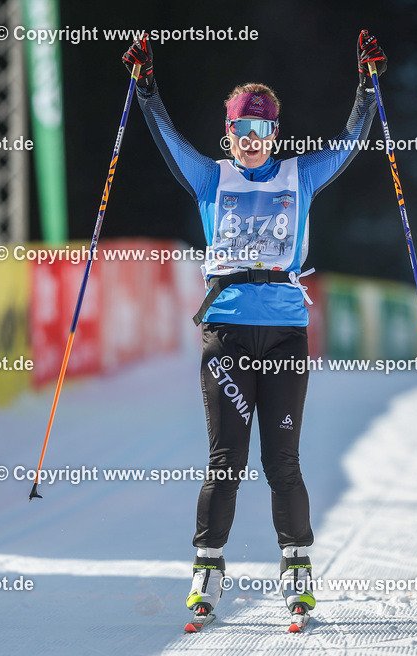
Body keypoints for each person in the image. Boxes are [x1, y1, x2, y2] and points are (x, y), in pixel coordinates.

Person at [123, 30, 386, 624]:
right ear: (229, 132)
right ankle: (207, 568)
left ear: (275, 133)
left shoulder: (300, 175)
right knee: (227, 460)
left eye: (261, 128)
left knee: (282, 461)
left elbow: (350, 141)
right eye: (242, 128)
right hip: (227, 332)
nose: (251, 139)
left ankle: (297, 569)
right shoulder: (211, 178)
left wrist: (367, 87)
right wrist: (146, 87)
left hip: (286, 332)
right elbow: (167, 138)